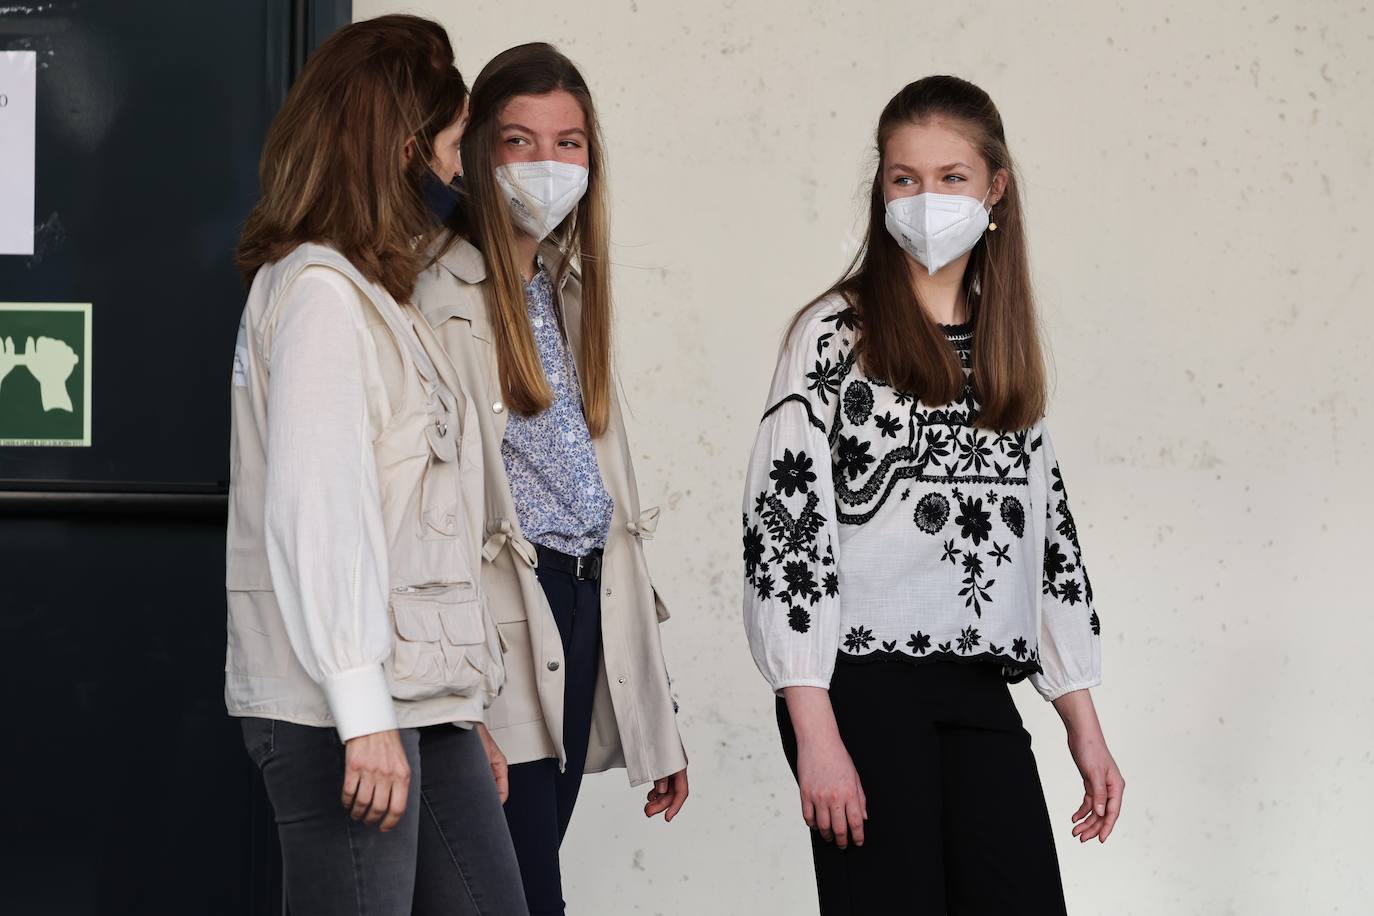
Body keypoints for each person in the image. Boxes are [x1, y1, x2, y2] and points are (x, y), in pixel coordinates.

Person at [741, 75, 1125, 914]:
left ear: (995, 187)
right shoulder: (832, 336)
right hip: (861, 692)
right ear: (881, 188)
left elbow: (1048, 546)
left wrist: (1083, 727)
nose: (925, 198)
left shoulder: (1002, 351)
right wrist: (813, 729)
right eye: (904, 178)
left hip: (980, 688)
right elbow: (788, 535)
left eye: (951, 177)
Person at [226, 15, 528, 915]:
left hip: (412, 706)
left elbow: (411, 527)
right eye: (450, 141)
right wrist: (366, 719)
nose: (458, 166)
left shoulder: (374, 296)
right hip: (341, 714)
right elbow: (321, 513)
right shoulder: (321, 297)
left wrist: (455, 703)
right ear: (403, 150)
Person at [413, 42, 689, 916]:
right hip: (502, 626)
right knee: (519, 897)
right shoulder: (437, 290)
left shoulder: (564, 288)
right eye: (519, 141)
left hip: (582, 613)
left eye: (568, 143)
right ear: (474, 154)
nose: (547, 164)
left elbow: (600, 503)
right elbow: (427, 506)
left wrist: (656, 709)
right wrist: (461, 698)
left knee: (520, 889)